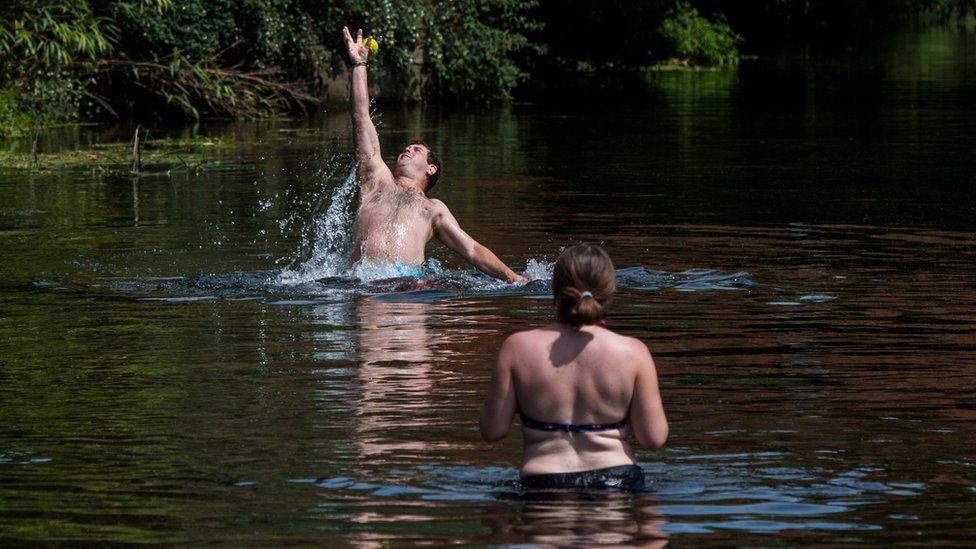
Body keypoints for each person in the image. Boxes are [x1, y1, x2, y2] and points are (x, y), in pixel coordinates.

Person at [341, 27, 526, 283]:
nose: (407, 149)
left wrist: (513, 277)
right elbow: (361, 117)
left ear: (431, 169)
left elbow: (472, 250)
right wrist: (359, 65)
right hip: (361, 283)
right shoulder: (376, 181)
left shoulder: (433, 209)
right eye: (407, 147)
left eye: (417, 150)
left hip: (408, 287)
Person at [480, 244, 668, 490]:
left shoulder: (517, 347)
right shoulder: (633, 352)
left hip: (544, 483)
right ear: (609, 292)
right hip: (617, 480)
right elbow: (653, 438)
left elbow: (492, 430)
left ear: (555, 291)